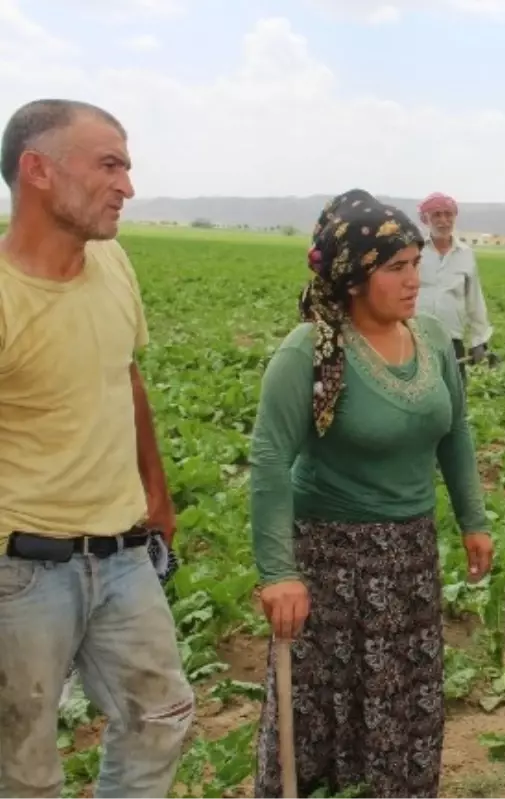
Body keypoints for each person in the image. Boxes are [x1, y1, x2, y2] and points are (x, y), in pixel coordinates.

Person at [249, 189, 494, 799]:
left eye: (416, 263)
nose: (414, 280)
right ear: (354, 278)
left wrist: (472, 517)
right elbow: (270, 462)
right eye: (396, 268)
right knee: (319, 709)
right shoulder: (309, 352)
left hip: (409, 558)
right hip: (329, 564)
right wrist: (278, 571)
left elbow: (455, 432)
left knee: (403, 702)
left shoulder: (433, 339)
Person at [0, 99, 192, 798]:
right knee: (23, 766)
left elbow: (125, 375)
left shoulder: (113, 264)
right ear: (38, 171)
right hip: (21, 569)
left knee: (161, 716)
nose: (127, 186)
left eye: (128, 166)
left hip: (123, 554)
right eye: (109, 164)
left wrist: (157, 494)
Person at [416, 191, 496, 379]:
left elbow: (474, 300)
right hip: (414, 338)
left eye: (448, 214)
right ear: (425, 219)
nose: (443, 220)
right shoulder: (414, 250)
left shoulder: (465, 254)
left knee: (454, 398)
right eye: (436, 215)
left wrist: (479, 340)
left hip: (451, 341)